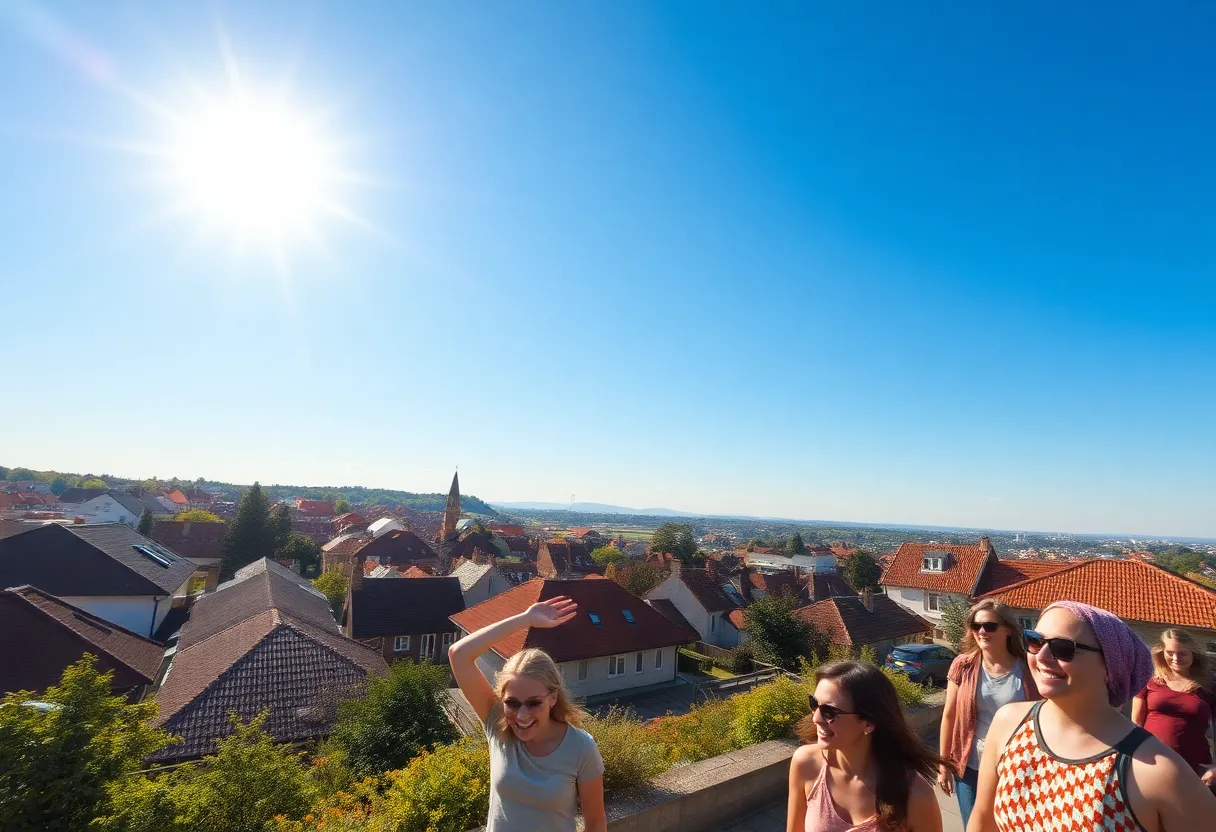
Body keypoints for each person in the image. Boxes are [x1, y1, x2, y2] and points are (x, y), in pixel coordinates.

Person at [965, 601, 1216, 832]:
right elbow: (983, 820)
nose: (1041, 657)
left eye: (1063, 648)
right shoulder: (1008, 723)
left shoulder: (1158, 771)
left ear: (1110, 667)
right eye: (1034, 641)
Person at [448, 595, 607, 832]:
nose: (521, 715)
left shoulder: (581, 748)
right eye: (512, 702)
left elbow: (595, 824)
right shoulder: (497, 723)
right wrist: (525, 619)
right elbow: (459, 654)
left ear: (553, 697)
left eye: (533, 703)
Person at [786, 661, 943, 832]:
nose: (816, 718)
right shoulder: (806, 764)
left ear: (868, 723)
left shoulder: (915, 794)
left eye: (829, 712)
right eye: (814, 704)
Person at [937, 600, 1039, 828]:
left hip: (1015, 767)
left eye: (990, 626)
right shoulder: (963, 666)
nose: (981, 631)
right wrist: (944, 764)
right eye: (976, 626)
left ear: (1008, 630)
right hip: (970, 765)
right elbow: (949, 715)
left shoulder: (1027, 670)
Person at [1132, 628, 1216, 793]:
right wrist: (1134, 755)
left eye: (1183, 653)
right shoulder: (1150, 679)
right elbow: (1135, 724)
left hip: (1195, 768)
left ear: (1194, 654)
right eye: (1170, 653)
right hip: (1151, 762)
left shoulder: (1209, 685)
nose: (1176, 658)